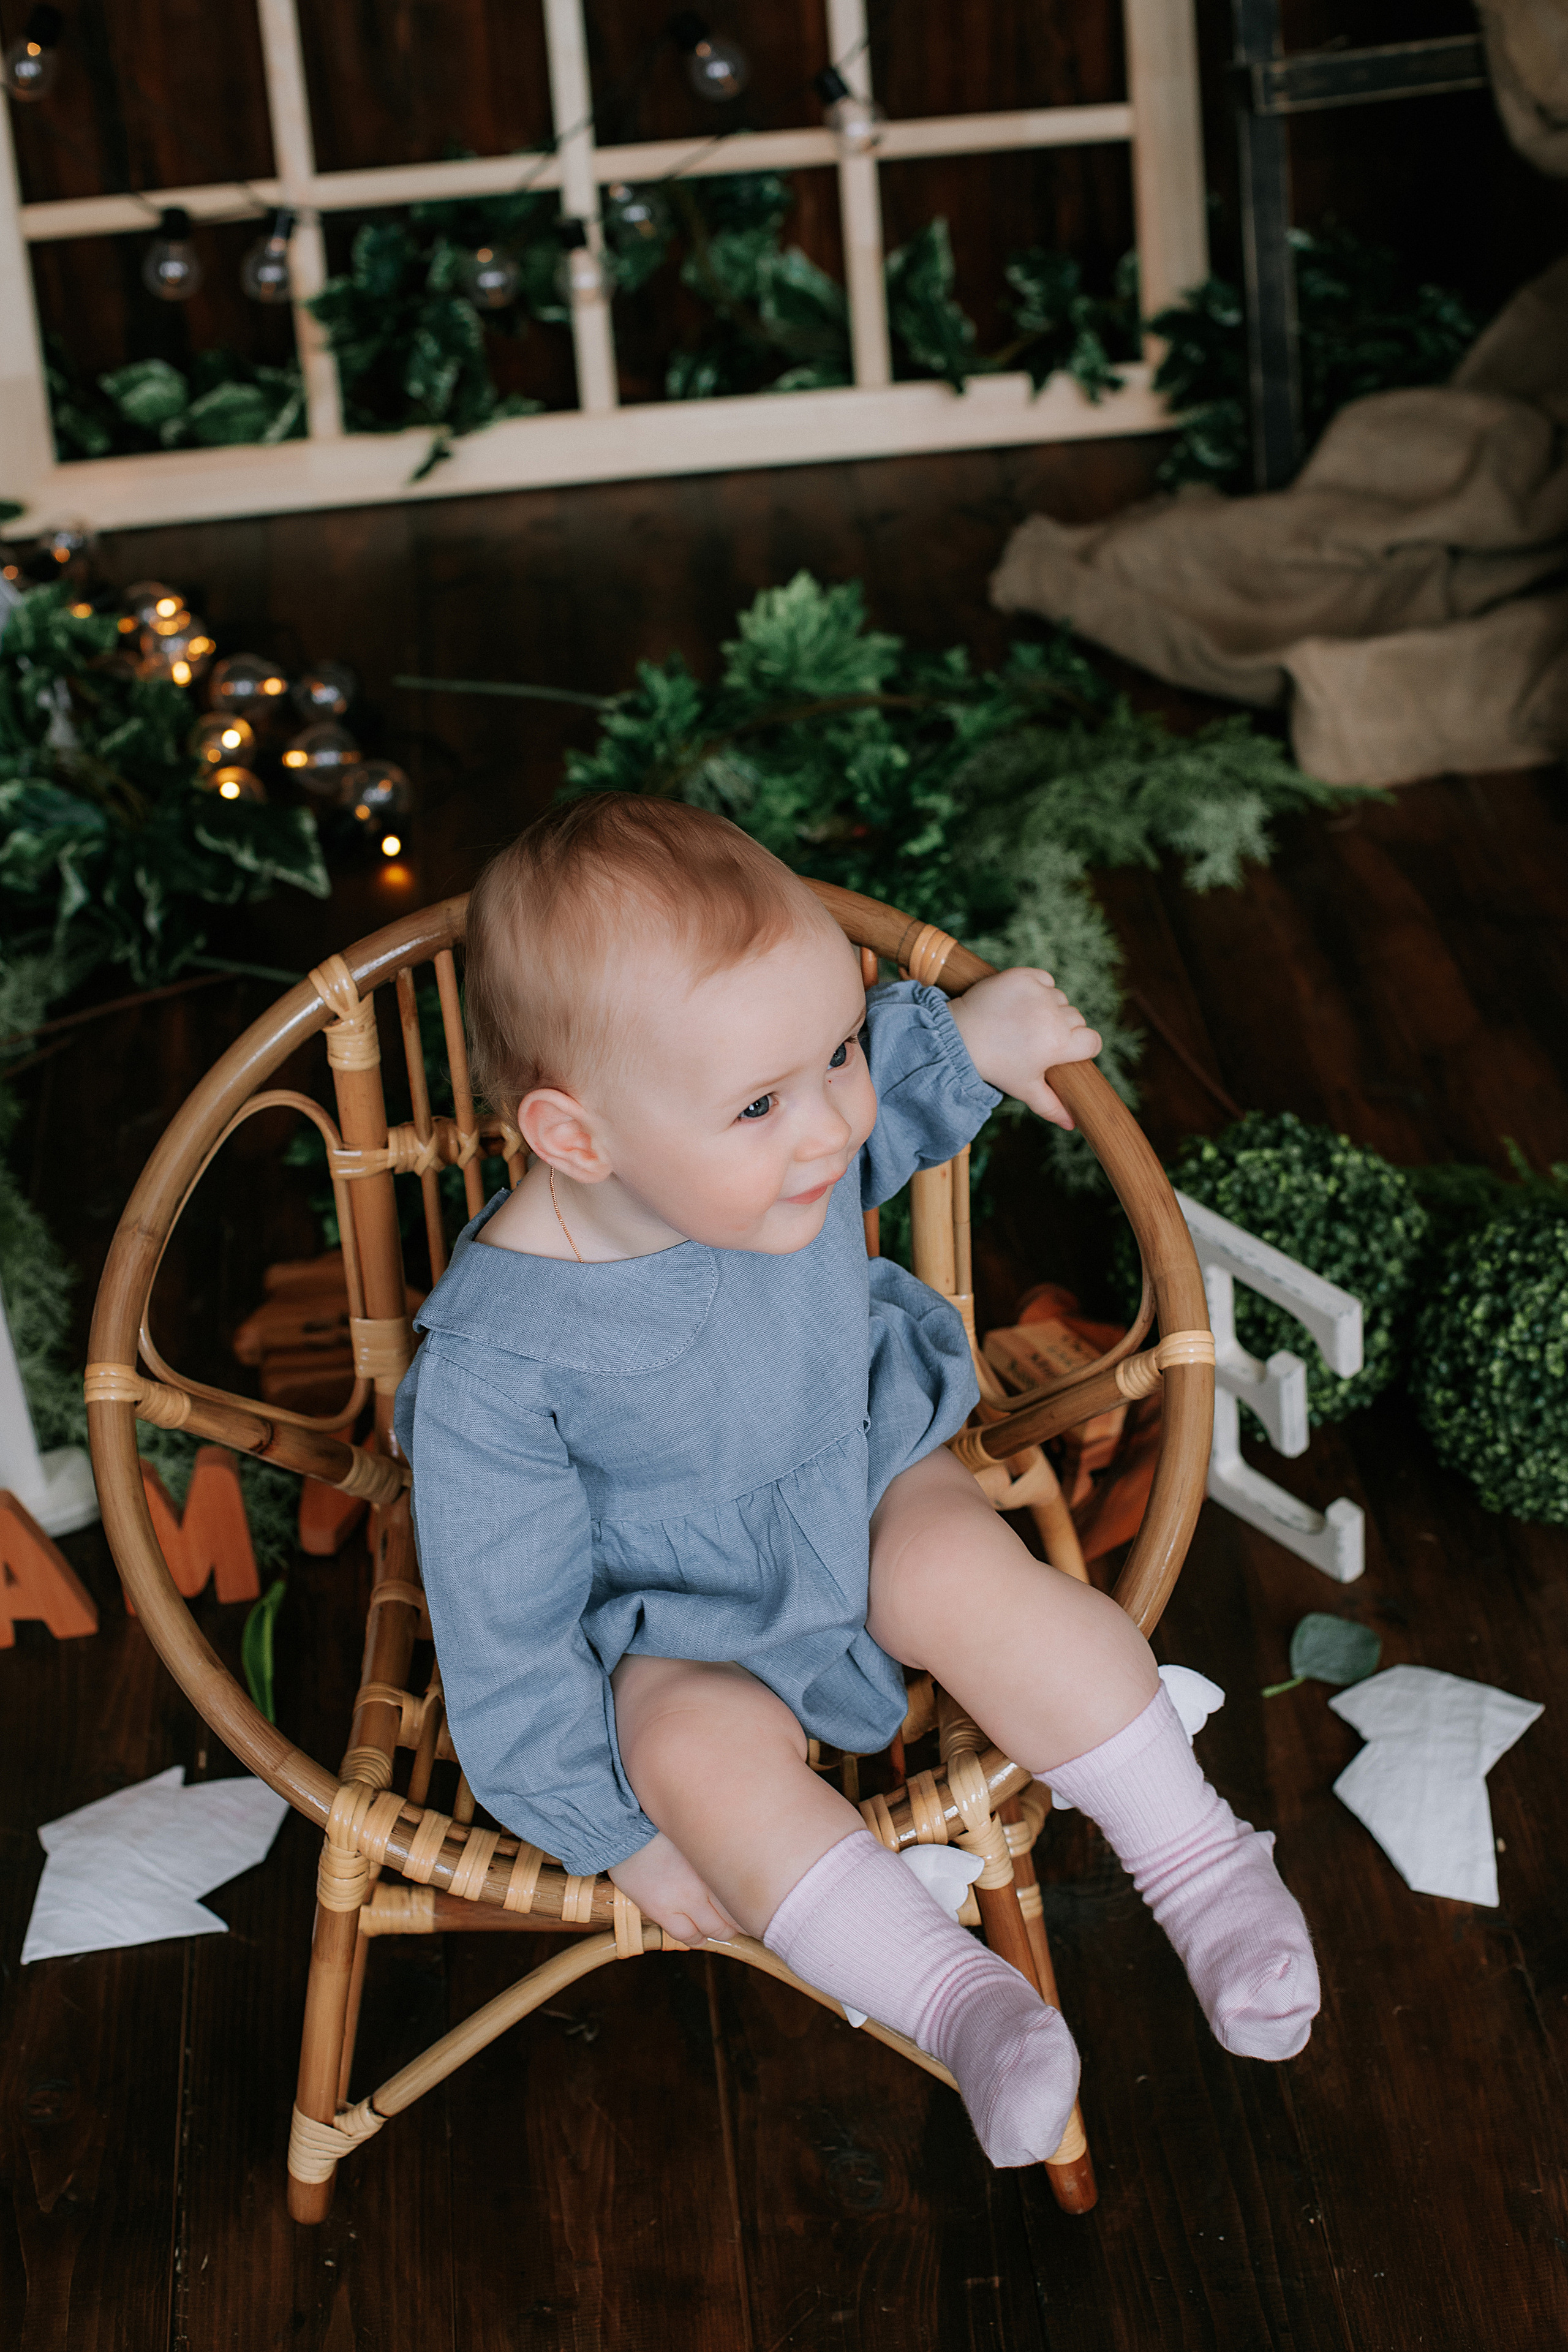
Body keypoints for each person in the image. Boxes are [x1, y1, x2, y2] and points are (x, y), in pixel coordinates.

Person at [395, 793, 1318, 2168]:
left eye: (834, 1052)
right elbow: (503, 1626)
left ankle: (1197, 1861)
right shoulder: (496, 1362)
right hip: (670, 1610)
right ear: (578, 1139)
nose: (827, 1126)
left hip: (866, 1471)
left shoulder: (774, 1146)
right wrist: (610, 1836)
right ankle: (959, 2004)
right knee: (684, 1750)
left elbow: (864, 1113)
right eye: (764, 1100)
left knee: (958, 1569)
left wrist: (967, 1044)